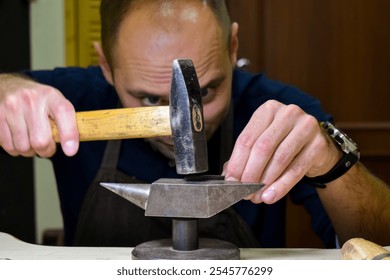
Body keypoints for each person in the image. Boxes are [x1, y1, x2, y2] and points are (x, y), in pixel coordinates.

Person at [0, 0, 389, 248]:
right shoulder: (75, 101)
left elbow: (381, 242)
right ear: (106, 65)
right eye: (149, 99)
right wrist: (7, 89)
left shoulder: (281, 110)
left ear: (232, 47)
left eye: (204, 92)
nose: (176, 126)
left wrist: (335, 165)